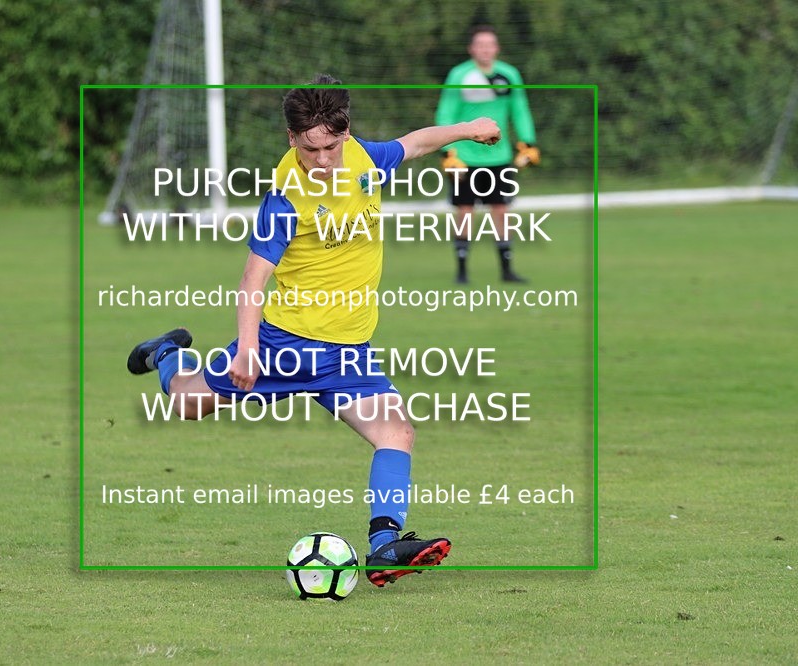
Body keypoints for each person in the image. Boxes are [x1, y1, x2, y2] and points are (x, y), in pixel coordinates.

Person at [127, 74, 501, 587]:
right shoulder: (286, 197)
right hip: (286, 345)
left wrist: (470, 127)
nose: (322, 160)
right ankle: (167, 353)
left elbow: (414, 143)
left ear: (346, 133)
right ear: (291, 139)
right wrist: (248, 348)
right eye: (310, 149)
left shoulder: (365, 158)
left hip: (349, 352)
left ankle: (384, 546)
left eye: (331, 147)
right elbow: (252, 279)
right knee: (185, 403)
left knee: (396, 432)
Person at [436, 25, 540, 284]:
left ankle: (507, 270)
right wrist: (447, 151)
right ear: (471, 48)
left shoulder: (509, 74)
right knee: (465, 211)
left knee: (502, 211)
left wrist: (528, 142)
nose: (485, 49)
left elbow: (520, 110)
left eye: (489, 44)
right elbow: (446, 112)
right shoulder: (459, 75)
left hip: (499, 157)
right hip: (464, 158)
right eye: (480, 44)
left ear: (497, 48)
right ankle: (461, 271)